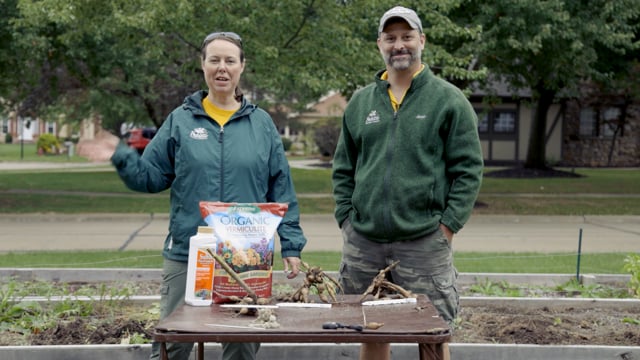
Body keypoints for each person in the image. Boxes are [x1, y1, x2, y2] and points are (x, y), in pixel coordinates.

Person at [109, 31, 307, 360]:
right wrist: (120, 155)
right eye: (214, 60)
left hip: (246, 259)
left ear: (242, 67)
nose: (222, 68)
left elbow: (281, 188)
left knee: (242, 343)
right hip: (188, 252)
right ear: (202, 65)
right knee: (174, 343)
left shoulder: (262, 125)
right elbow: (150, 177)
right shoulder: (180, 121)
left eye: (230, 60)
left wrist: (291, 243)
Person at [331, 6, 483, 360]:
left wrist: (446, 227)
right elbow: (343, 168)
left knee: (431, 335)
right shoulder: (360, 102)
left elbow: (469, 169)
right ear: (379, 44)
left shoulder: (448, 100)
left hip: (423, 243)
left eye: (407, 37)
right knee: (369, 332)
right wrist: (346, 219)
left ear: (422, 41)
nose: (399, 45)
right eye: (391, 38)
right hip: (364, 243)